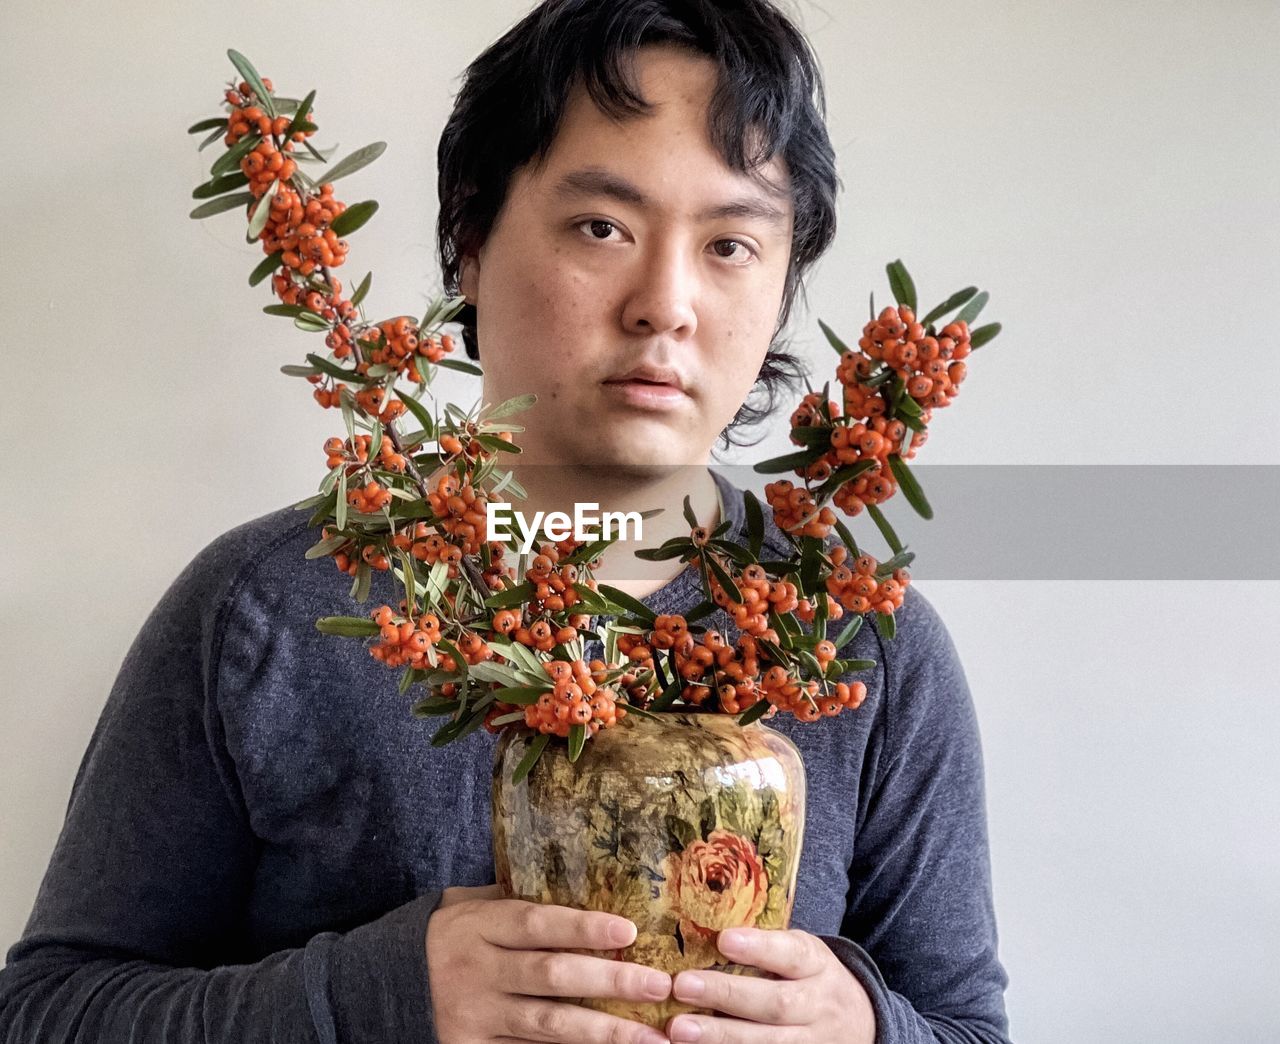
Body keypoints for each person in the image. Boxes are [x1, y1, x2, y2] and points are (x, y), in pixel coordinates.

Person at [0, 2, 1014, 1042]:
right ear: (469, 241)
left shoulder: (863, 648)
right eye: (601, 228)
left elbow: (967, 1027)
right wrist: (374, 998)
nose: (665, 303)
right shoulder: (267, 608)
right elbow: (48, 1012)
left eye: (729, 244)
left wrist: (862, 1028)